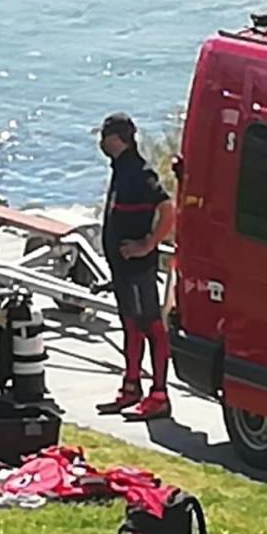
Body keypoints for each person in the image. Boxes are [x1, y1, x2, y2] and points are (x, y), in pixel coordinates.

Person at [95, 113, 177, 421]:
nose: (101, 142)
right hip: (121, 268)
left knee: (151, 325)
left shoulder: (140, 173)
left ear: (117, 139)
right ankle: (131, 387)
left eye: (104, 136)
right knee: (130, 324)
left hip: (139, 267)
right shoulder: (120, 169)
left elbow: (168, 209)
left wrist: (148, 243)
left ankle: (159, 394)